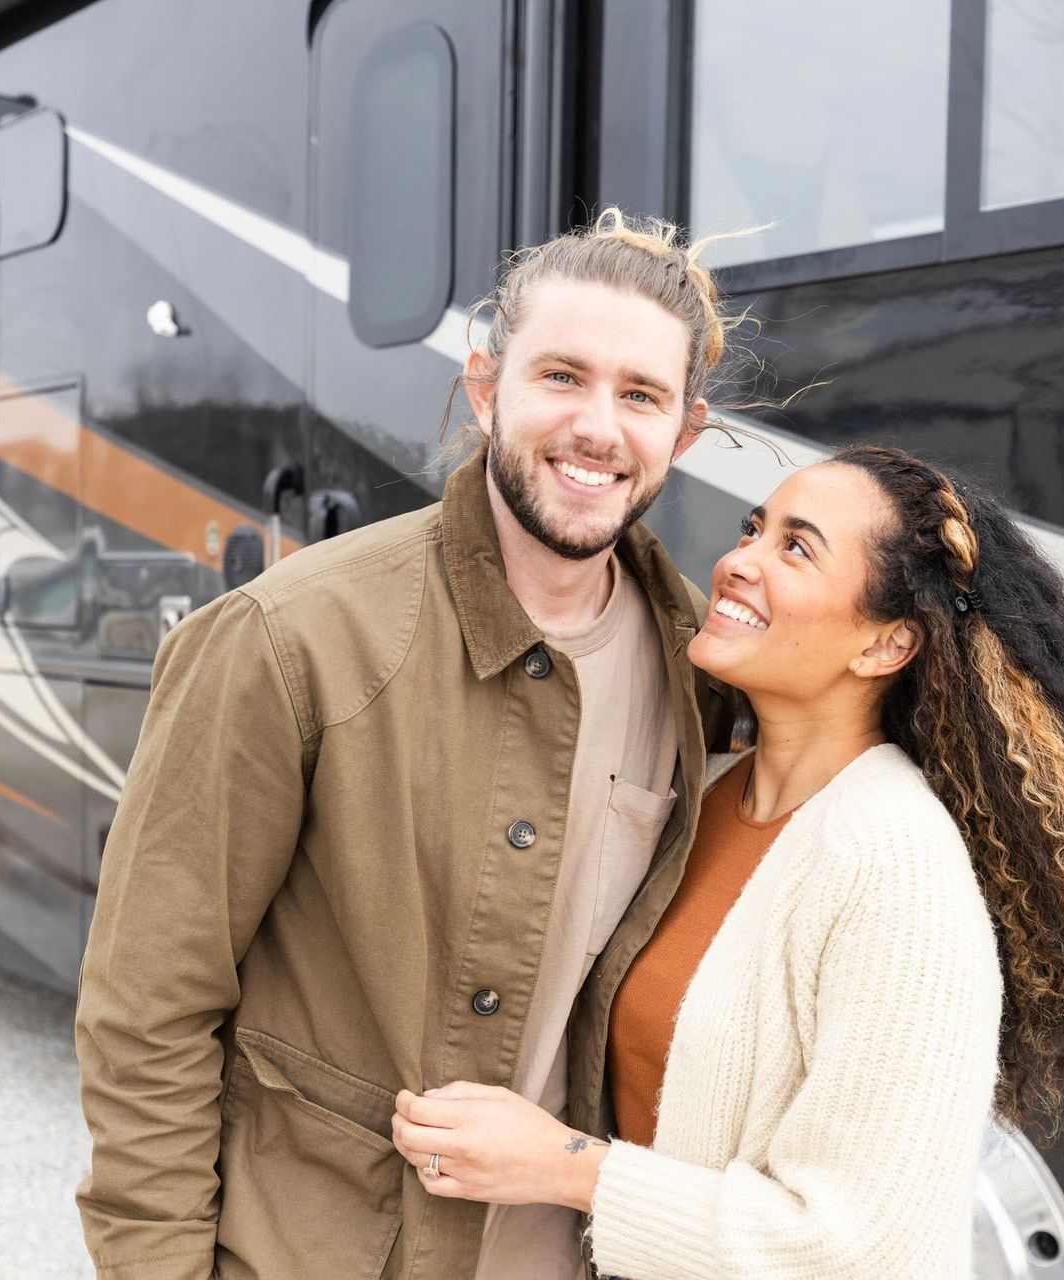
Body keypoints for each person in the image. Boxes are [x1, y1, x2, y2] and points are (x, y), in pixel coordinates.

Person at [391, 444, 1064, 1278]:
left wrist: (562, 1166)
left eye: (795, 548)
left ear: (884, 645)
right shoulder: (705, 793)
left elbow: (853, 1250)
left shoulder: (894, 867)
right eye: (751, 528)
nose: (738, 562)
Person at [74, 209, 741, 1280]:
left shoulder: (697, 665)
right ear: (486, 389)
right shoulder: (286, 638)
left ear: (683, 431)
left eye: (639, 395)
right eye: (561, 376)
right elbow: (147, 1009)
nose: (597, 428)